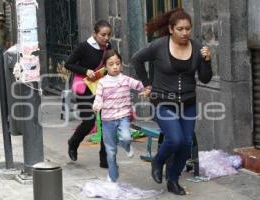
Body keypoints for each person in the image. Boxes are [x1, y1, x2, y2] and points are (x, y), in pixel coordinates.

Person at [131, 8, 212, 195]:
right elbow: (136, 59)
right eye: (180, 29)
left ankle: (173, 179)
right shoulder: (159, 45)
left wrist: (207, 60)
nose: (185, 33)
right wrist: (147, 85)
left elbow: (206, 78)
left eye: (188, 29)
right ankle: (158, 161)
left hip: (188, 103)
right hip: (162, 101)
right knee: (174, 139)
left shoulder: (197, 46)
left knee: (186, 143)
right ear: (170, 29)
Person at [65, 19, 112, 168]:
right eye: (103, 35)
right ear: (95, 34)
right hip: (85, 88)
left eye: (108, 35)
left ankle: (104, 158)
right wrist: (86, 71)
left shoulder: (108, 46)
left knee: (106, 122)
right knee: (89, 121)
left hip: (102, 87)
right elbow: (68, 64)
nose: (106, 38)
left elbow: (111, 62)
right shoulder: (83, 47)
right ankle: (73, 142)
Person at [93, 49, 144, 183]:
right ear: (105, 66)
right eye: (111, 64)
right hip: (107, 120)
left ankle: (126, 146)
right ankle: (113, 176)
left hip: (123, 117)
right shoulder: (102, 82)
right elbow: (98, 97)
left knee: (126, 137)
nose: (115, 67)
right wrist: (96, 105)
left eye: (118, 63)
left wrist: (147, 89)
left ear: (121, 64)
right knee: (110, 151)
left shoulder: (126, 80)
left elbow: (140, 85)